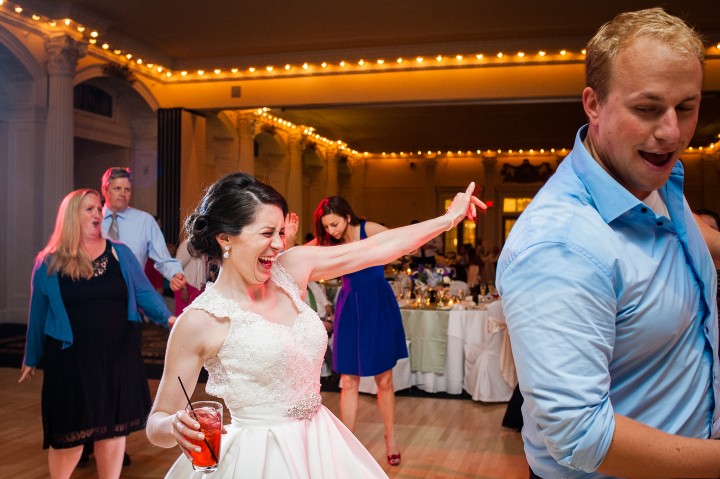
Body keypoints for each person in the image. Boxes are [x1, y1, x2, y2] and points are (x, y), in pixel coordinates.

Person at [496, 8, 720, 479]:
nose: (673, 133)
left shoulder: (648, 178)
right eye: (647, 108)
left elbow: (682, 235)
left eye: (686, 107)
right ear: (593, 104)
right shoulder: (560, 246)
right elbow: (581, 436)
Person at [145, 173, 483, 478]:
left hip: (322, 444)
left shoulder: (292, 267)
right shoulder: (200, 320)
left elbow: (379, 248)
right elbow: (157, 421)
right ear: (225, 239)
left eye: (280, 232)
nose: (279, 243)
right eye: (267, 233)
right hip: (259, 459)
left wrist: (448, 219)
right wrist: (174, 425)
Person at [18, 189, 175, 479]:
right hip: (71, 363)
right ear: (70, 217)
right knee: (71, 436)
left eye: (98, 207)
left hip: (118, 357)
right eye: (89, 208)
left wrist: (169, 319)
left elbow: (143, 293)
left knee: (113, 431)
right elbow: (38, 314)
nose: (97, 213)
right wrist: (31, 356)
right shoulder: (49, 262)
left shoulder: (120, 253)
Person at [308, 197, 407, 466]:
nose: (331, 230)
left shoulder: (368, 229)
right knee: (348, 380)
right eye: (326, 226)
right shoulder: (329, 240)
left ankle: (390, 437)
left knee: (384, 380)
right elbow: (300, 255)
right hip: (350, 305)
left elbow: (399, 242)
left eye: (335, 224)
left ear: (347, 217)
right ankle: (347, 445)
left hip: (377, 302)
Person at [100, 167, 187, 292]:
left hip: (133, 294)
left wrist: (175, 274)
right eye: (117, 188)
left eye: (127, 190)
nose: (122, 194)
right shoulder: (93, 220)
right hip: (97, 295)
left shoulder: (145, 221)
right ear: (105, 190)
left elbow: (163, 258)